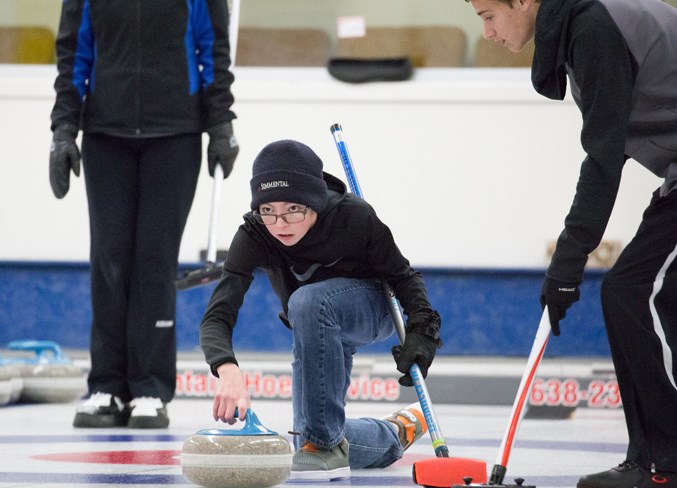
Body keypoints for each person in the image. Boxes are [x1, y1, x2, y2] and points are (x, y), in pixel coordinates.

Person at [466, 0, 677, 486]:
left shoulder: (593, 28)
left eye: (488, 15)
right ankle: (650, 458)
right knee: (636, 292)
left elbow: (602, 158)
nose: (488, 32)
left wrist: (567, 261)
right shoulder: (582, 29)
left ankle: (665, 463)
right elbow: (612, 148)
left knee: (633, 291)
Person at [200, 139, 442, 481]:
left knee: (309, 300)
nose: (280, 223)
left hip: (370, 308)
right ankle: (395, 431)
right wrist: (227, 369)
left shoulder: (354, 216)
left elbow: (403, 277)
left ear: (314, 201)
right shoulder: (256, 233)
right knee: (310, 438)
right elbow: (217, 315)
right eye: (267, 210)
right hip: (312, 324)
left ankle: (326, 442)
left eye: (293, 209)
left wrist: (423, 331)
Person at [49, 0, 239, 429]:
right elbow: (73, 54)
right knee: (110, 259)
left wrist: (220, 124)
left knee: (154, 262)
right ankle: (107, 386)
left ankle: (151, 389)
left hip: (174, 136)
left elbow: (214, 52)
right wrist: (63, 130)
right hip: (105, 135)